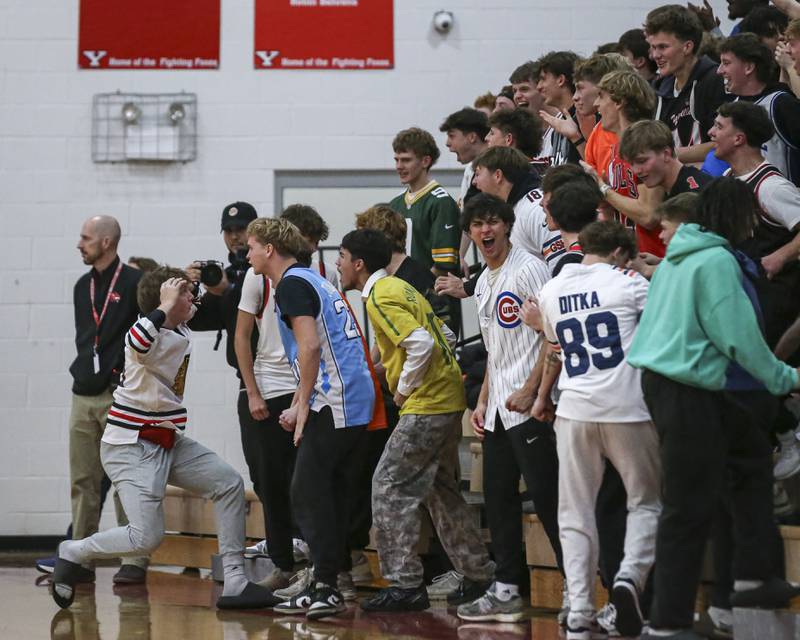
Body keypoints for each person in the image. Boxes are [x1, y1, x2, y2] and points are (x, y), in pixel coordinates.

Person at [627, 178, 800, 639]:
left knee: (749, 463)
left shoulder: (676, 260)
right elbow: (739, 339)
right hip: (687, 390)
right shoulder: (717, 262)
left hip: (671, 385)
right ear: (737, 217)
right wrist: (787, 379)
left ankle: (755, 577)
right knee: (687, 507)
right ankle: (667, 622)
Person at [51, 268, 277, 611]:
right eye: (183, 295)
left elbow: (203, 295)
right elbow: (137, 339)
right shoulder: (146, 333)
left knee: (228, 484)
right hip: (131, 446)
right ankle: (74, 551)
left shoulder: (179, 326)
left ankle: (235, 581)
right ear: (166, 302)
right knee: (146, 538)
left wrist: (189, 279)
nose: (191, 299)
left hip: (166, 439)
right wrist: (167, 301)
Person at [336, 229, 494, 612]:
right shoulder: (399, 287)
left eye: (341, 257)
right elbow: (445, 332)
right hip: (445, 399)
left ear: (358, 264)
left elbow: (421, 343)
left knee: (388, 486)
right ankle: (478, 574)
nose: (337, 265)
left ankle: (405, 584)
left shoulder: (379, 295)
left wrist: (404, 388)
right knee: (441, 491)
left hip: (426, 404)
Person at [533, 220, 660, 639]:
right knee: (645, 502)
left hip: (574, 407)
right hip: (627, 405)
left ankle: (581, 610)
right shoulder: (628, 284)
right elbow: (667, 312)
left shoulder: (551, 292)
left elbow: (554, 346)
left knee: (574, 512)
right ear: (622, 253)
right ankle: (629, 577)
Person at [248, 217, 375, 620]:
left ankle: (325, 584)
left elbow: (311, 347)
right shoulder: (312, 278)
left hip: (339, 399)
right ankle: (331, 580)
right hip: (348, 395)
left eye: (251, 245)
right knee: (329, 491)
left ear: (269, 248)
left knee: (305, 489)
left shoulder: (291, 284)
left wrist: (302, 403)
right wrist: (303, 402)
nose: (246, 253)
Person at [455, 194, 562, 623]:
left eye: (493, 222)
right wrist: (482, 400)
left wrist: (533, 391)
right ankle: (507, 587)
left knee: (551, 500)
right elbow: (495, 352)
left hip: (533, 409)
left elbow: (552, 338)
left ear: (506, 225)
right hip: (499, 410)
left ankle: (577, 586)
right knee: (498, 499)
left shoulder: (531, 269)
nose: (486, 231)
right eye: (478, 224)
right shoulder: (482, 281)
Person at [50, 216, 147, 583]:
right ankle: (79, 558)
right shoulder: (81, 287)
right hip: (83, 394)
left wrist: (122, 374)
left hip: (118, 395)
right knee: (83, 480)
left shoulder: (134, 283)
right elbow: (86, 338)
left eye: (85, 238)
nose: (79, 244)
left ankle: (134, 560)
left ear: (107, 242)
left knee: (125, 479)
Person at [234, 262, 299, 591]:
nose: (249, 254)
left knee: (306, 481)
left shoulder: (320, 270)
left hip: (303, 389)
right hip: (267, 388)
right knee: (267, 481)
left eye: (255, 246)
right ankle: (282, 561)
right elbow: (241, 336)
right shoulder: (256, 277)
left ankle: (310, 559)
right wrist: (252, 392)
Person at [646, 5, 731, 164]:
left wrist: (667, 156)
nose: (655, 55)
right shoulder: (661, 87)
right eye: (653, 47)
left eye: (663, 47)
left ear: (687, 47)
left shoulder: (714, 79)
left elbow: (725, 143)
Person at [717, 33, 800, 186]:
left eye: (726, 63)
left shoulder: (781, 103)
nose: (719, 70)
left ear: (749, 67)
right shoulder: (732, 106)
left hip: (782, 203)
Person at [619, 119, 713, 202]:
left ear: (666, 154)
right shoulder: (673, 191)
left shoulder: (694, 194)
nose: (636, 171)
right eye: (631, 164)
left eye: (642, 161)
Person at [536, 50, 583, 166]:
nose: (539, 87)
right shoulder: (557, 126)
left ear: (561, 80)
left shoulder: (585, 119)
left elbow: (595, 166)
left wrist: (576, 138)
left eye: (543, 79)